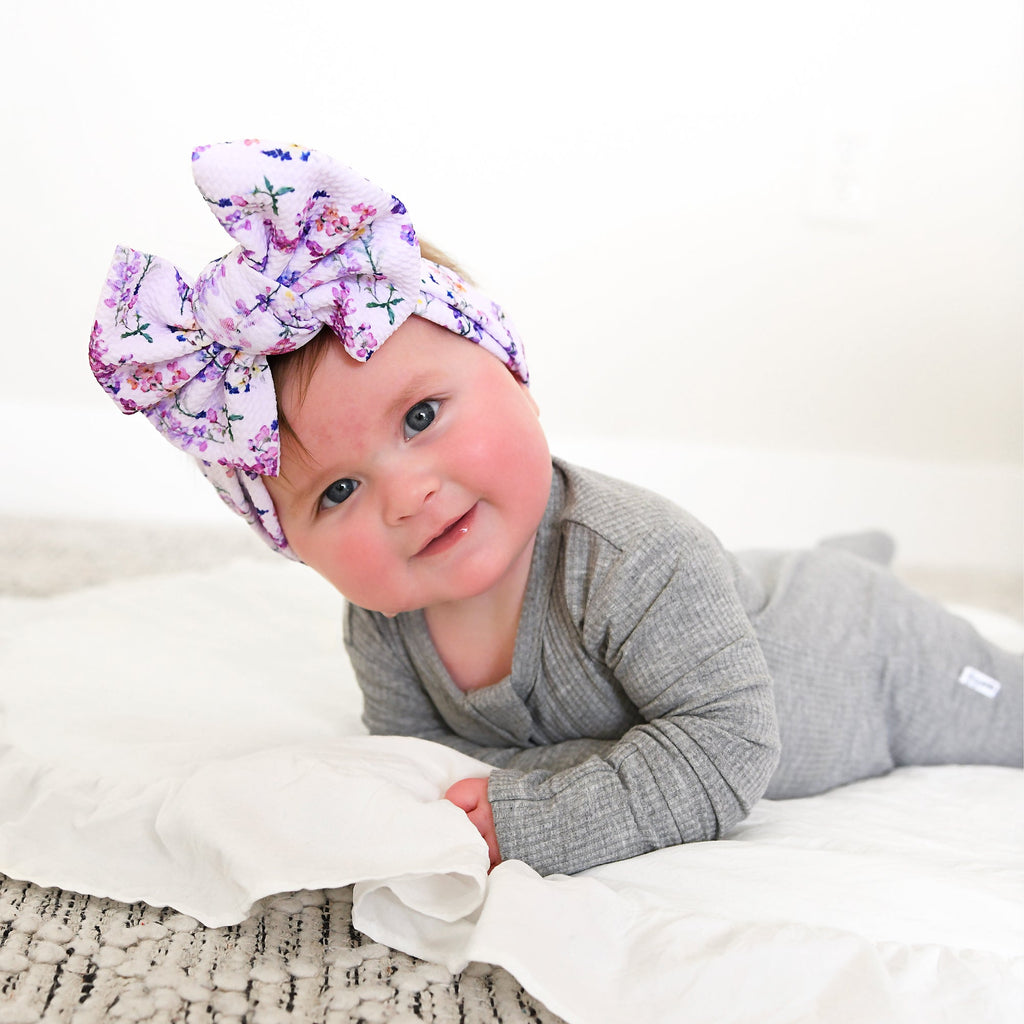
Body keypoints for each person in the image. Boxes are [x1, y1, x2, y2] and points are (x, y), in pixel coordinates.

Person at [90, 140, 1023, 877]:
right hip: (737, 607)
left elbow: (729, 747)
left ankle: (854, 567)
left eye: (421, 416)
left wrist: (536, 818)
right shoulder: (382, 627)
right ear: (287, 541)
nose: (407, 494)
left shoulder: (638, 556)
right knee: (748, 588)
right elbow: (428, 764)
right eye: (337, 491)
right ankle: (837, 554)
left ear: (514, 376)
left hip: (865, 658)